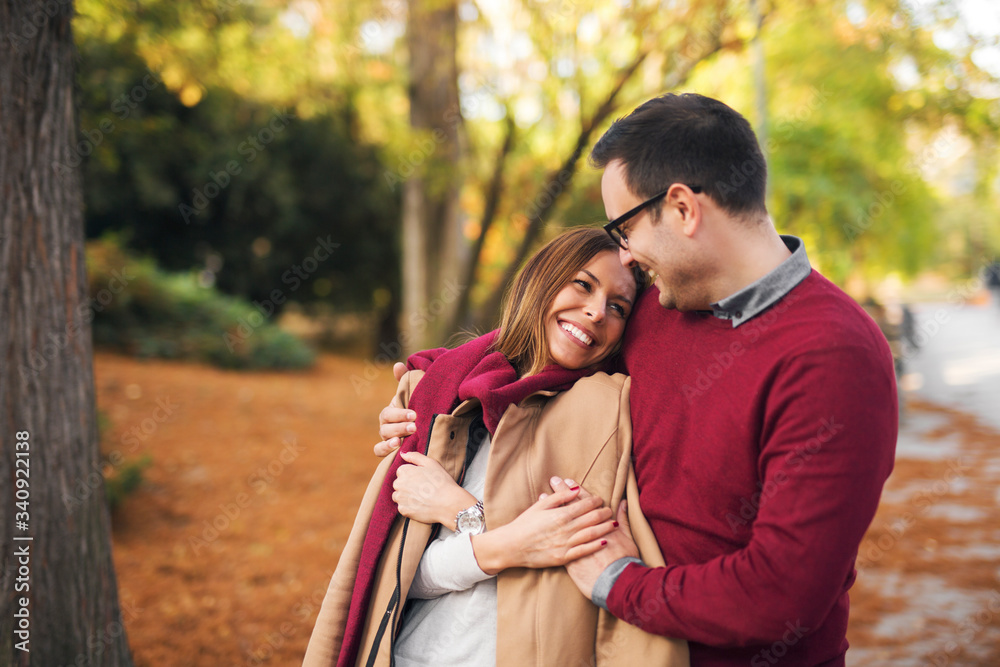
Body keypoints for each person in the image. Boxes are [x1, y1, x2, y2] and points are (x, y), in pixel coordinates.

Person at [376, 94, 898, 666]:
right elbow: (527, 347)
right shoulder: (652, 309)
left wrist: (619, 582)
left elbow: (781, 592)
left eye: (623, 227)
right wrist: (427, 394)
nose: (623, 255)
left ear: (681, 209)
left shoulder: (834, 354)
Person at [303, 228, 688, 667]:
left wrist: (458, 511)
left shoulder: (602, 417)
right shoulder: (446, 398)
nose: (597, 312)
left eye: (618, 308)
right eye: (583, 284)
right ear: (541, 279)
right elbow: (403, 577)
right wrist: (509, 542)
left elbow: (565, 574)